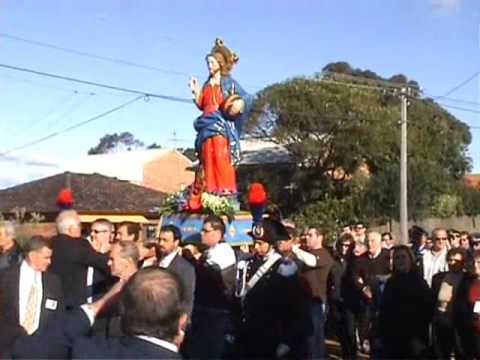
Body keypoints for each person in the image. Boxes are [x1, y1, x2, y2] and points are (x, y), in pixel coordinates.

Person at [10, 268, 187, 359]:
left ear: (121, 310)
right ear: (182, 322)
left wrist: (98, 305)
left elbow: (26, 350)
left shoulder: (87, 352)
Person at [187, 38, 253, 208]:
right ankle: (209, 191)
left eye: (212, 62)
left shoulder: (229, 83)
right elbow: (202, 104)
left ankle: (224, 192)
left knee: (221, 157)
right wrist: (195, 92)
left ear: (220, 63)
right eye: (208, 62)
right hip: (206, 125)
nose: (209, 65)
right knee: (207, 158)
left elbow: (247, 97)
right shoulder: (207, 83)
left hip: (221, 125)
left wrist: (238, 105)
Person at [236, 218, 310, 359]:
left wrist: (287, 341)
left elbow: (295, 308)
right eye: (255, 243)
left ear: (271, 244)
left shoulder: (284, 267)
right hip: (249, 332)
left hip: (273, 333)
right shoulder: (248, 264)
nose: (256, 247)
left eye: (260, 243)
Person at [183, 215, 236, 359]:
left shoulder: (224, 252)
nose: (202, 234)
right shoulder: (209, 252)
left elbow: (208, 276)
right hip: (204, 312)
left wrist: (191, 258)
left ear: (218, 234)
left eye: (206, 231)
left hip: (215, 314)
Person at [0, 236, 64, 353]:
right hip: (8, 346)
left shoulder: (53, 281)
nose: (49, 262)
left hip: (41, 347)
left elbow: (59, 314)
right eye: (46, 257)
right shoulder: (6, 277)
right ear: (33, 256)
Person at [378, 245, 434, 359]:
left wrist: (418, 339)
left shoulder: (419, 282)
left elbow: (426, 312)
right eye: (397, 258)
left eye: (403, 257)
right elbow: (384, 311)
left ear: (410, 259)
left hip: (414, 338)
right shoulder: (391, 283)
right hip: (392, 339)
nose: (400, 261)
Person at [49, 210, 110, 309]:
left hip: (51, 299)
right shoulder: (79, 245)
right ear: (72, 229)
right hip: (73, 304)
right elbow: (102, 263)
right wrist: (106, 252)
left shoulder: (50, 244)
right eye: (80, 226)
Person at [302, 226, 334, 359]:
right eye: (306, 235)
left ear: (320, 237)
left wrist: (294, 248)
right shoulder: (306, 253)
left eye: (310, 235)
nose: (306, 238)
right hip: (304, 302)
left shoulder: (324, 254)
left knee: (315, 338)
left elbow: (312, 261)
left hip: (317, 302)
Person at [157, 224, 196, 317]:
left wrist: (183, 322)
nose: (161, 243)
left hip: (172, 319)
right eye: (159, 240)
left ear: (176, 242)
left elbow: (188, 299)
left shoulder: (185, 268)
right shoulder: (155, 262)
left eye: (165, 240)